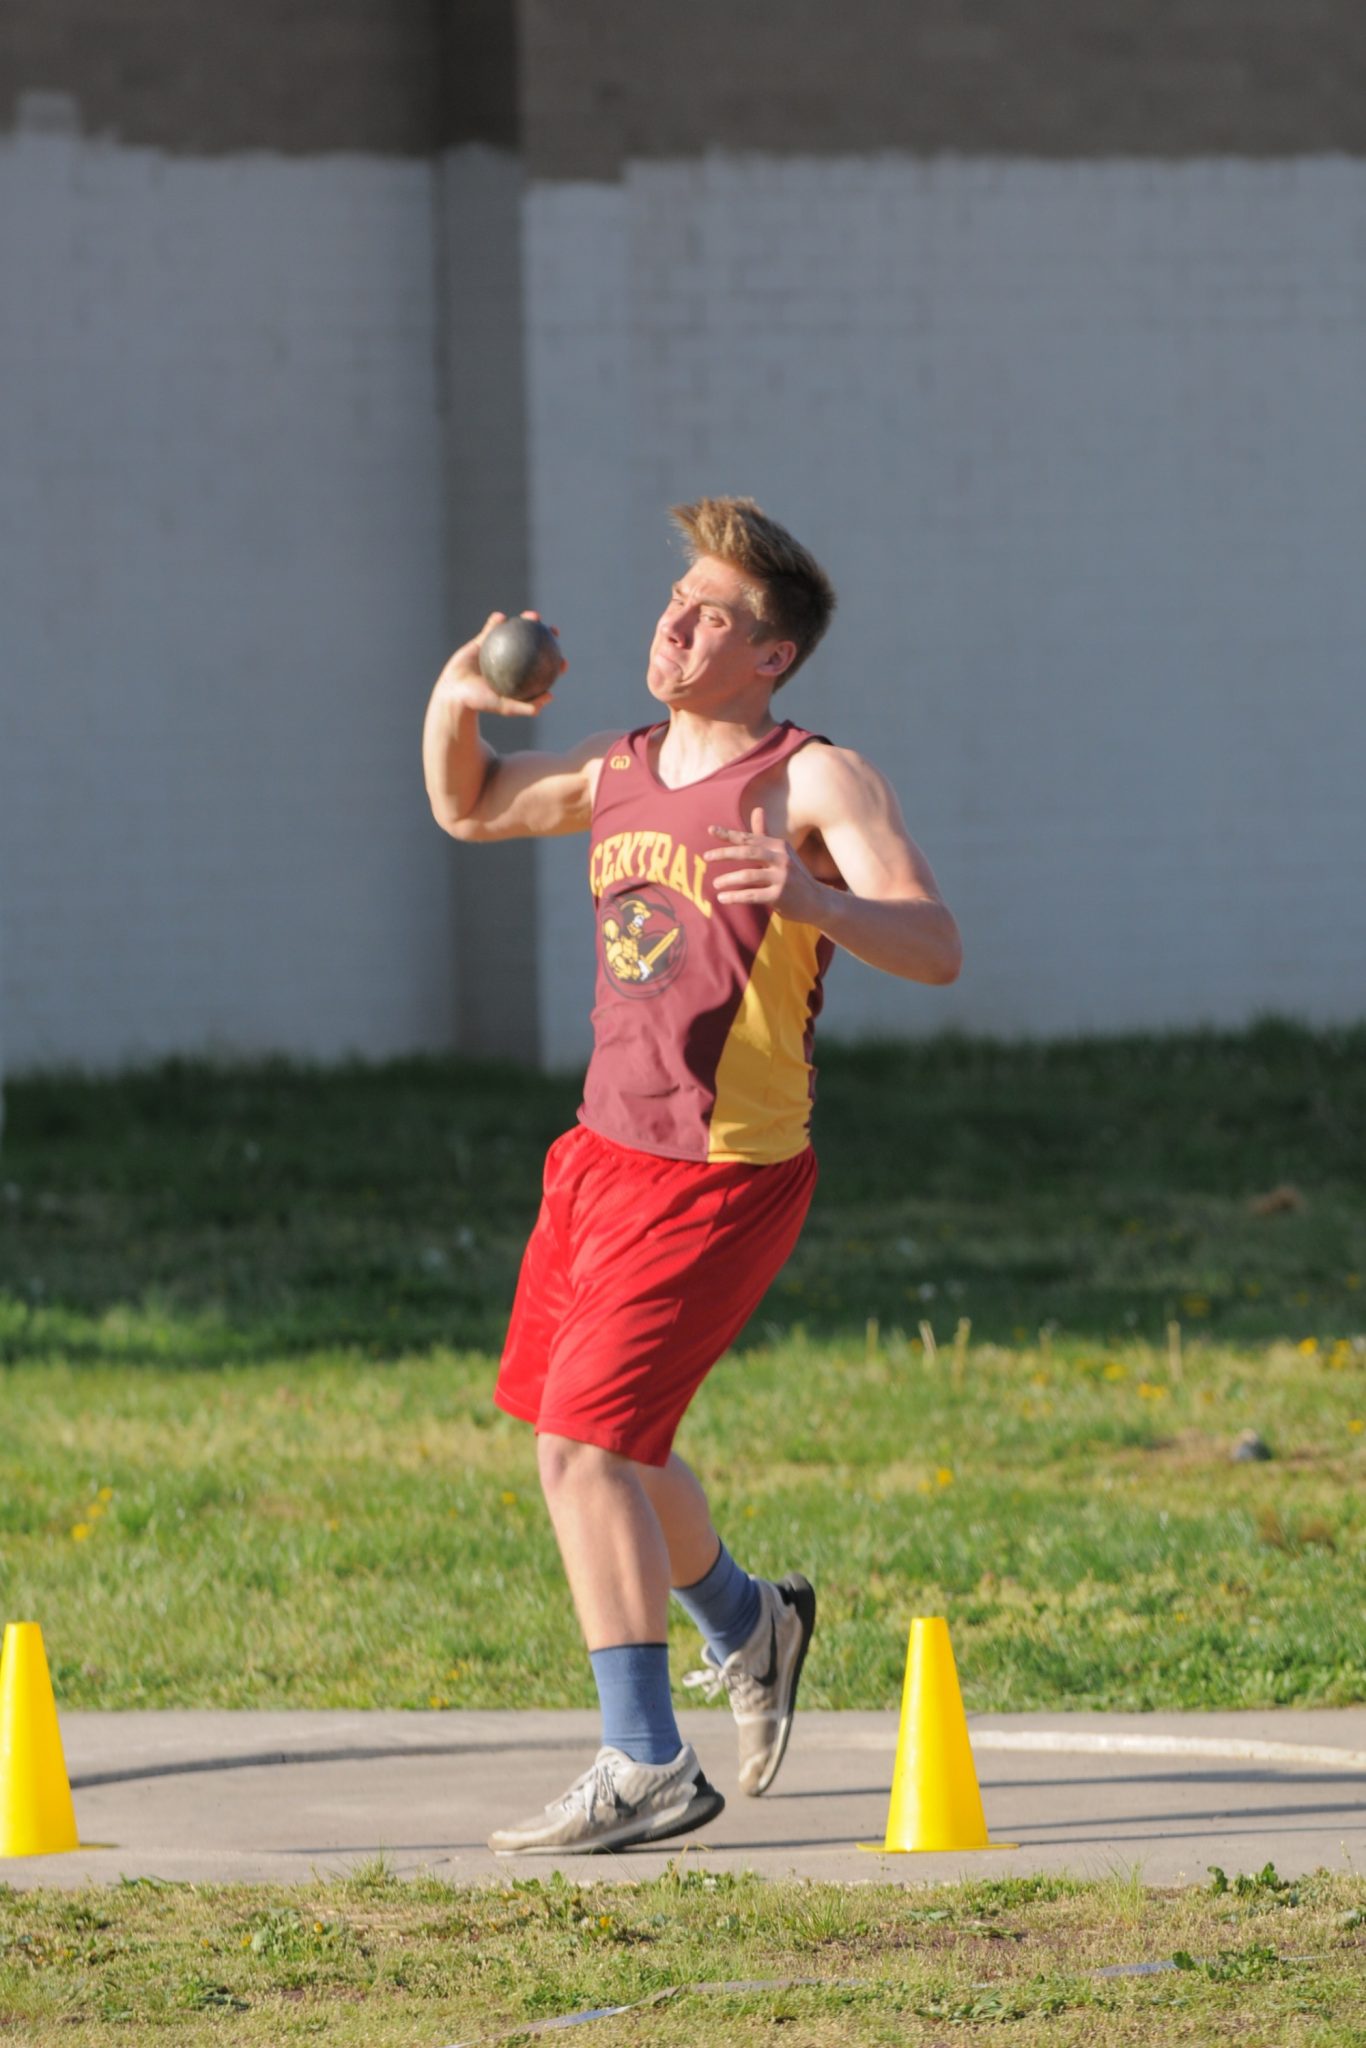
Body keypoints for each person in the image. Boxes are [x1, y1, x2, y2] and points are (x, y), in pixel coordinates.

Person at [421, 497, 961, 1855]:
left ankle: (643, 1762)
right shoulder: (621, 768)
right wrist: (453, 700)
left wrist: (815, 899)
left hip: (720, 1170)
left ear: (769, 655)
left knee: (583, 1450)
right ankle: (747, 1621)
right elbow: (469, 809)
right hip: (601, 1151)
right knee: (617, 1438)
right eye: (676, 598)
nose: (675, 620)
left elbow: (937, 943)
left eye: (712, 612)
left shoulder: (814, 782)